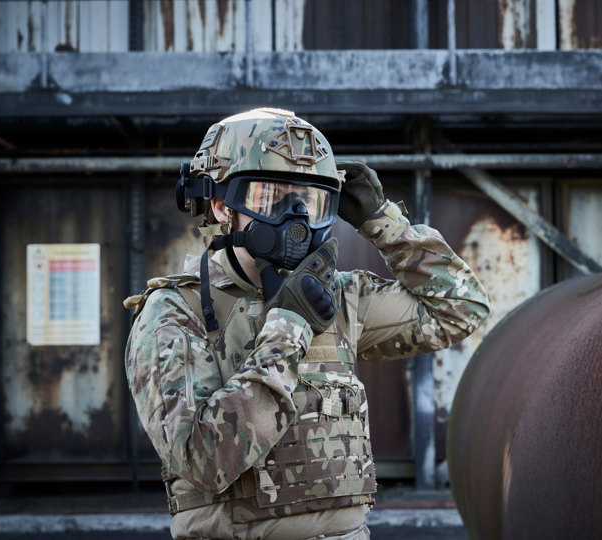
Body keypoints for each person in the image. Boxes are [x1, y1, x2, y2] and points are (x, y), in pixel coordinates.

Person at [123, 108, 490, 539]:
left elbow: (462, 308)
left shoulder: (337, 296)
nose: (295, 217)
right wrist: (290, 326)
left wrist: (383, 222)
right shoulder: (173, 311)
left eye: (311, 202)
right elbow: (203, 460)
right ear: (223, 206)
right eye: (271, 198)